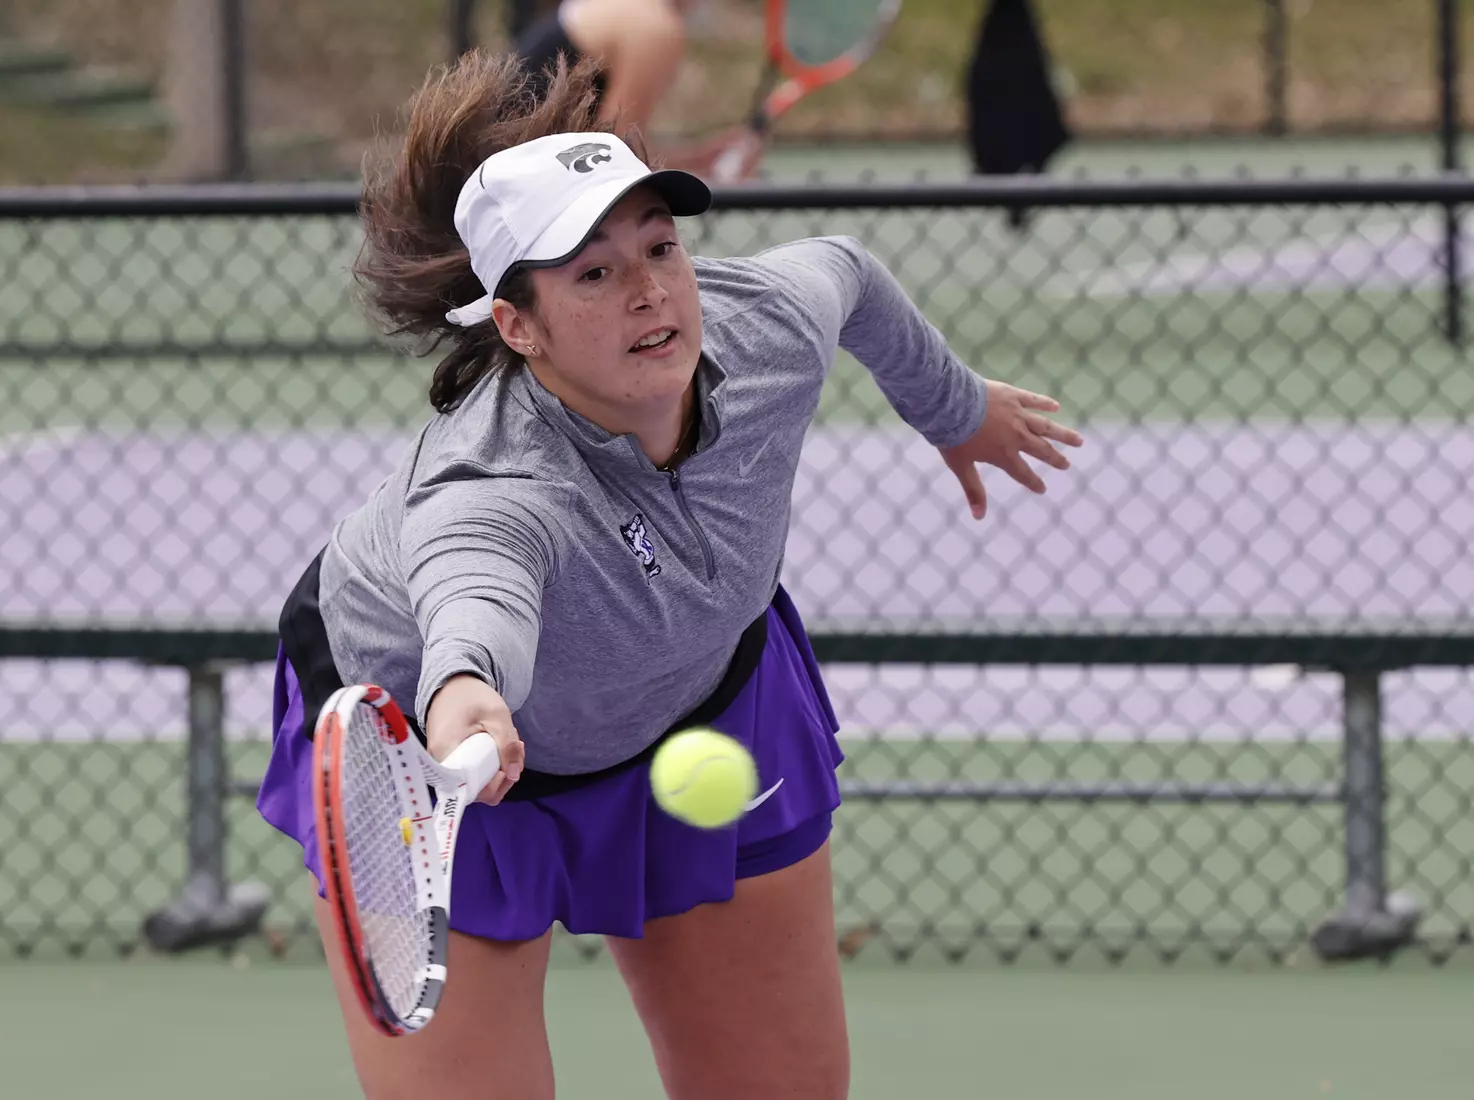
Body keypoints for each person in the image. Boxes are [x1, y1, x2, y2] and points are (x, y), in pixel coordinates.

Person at [256, 50, 1082, 1100]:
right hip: (438, 758)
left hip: (699, 689)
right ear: (516, 324)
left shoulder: (762, 327)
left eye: (660, 245)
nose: (650, 291)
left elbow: (849, 272)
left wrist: (956, 409)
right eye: (594, 274)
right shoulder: (492, 489)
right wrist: (464, 693)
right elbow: (475, 594)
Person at [514, 0, 764, 179]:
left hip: (518, 166)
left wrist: (696, 159)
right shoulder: (654, 27)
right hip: (529, 178)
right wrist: (703, 171)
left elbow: (611, 147)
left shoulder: (624, 10)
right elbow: (615, 152)